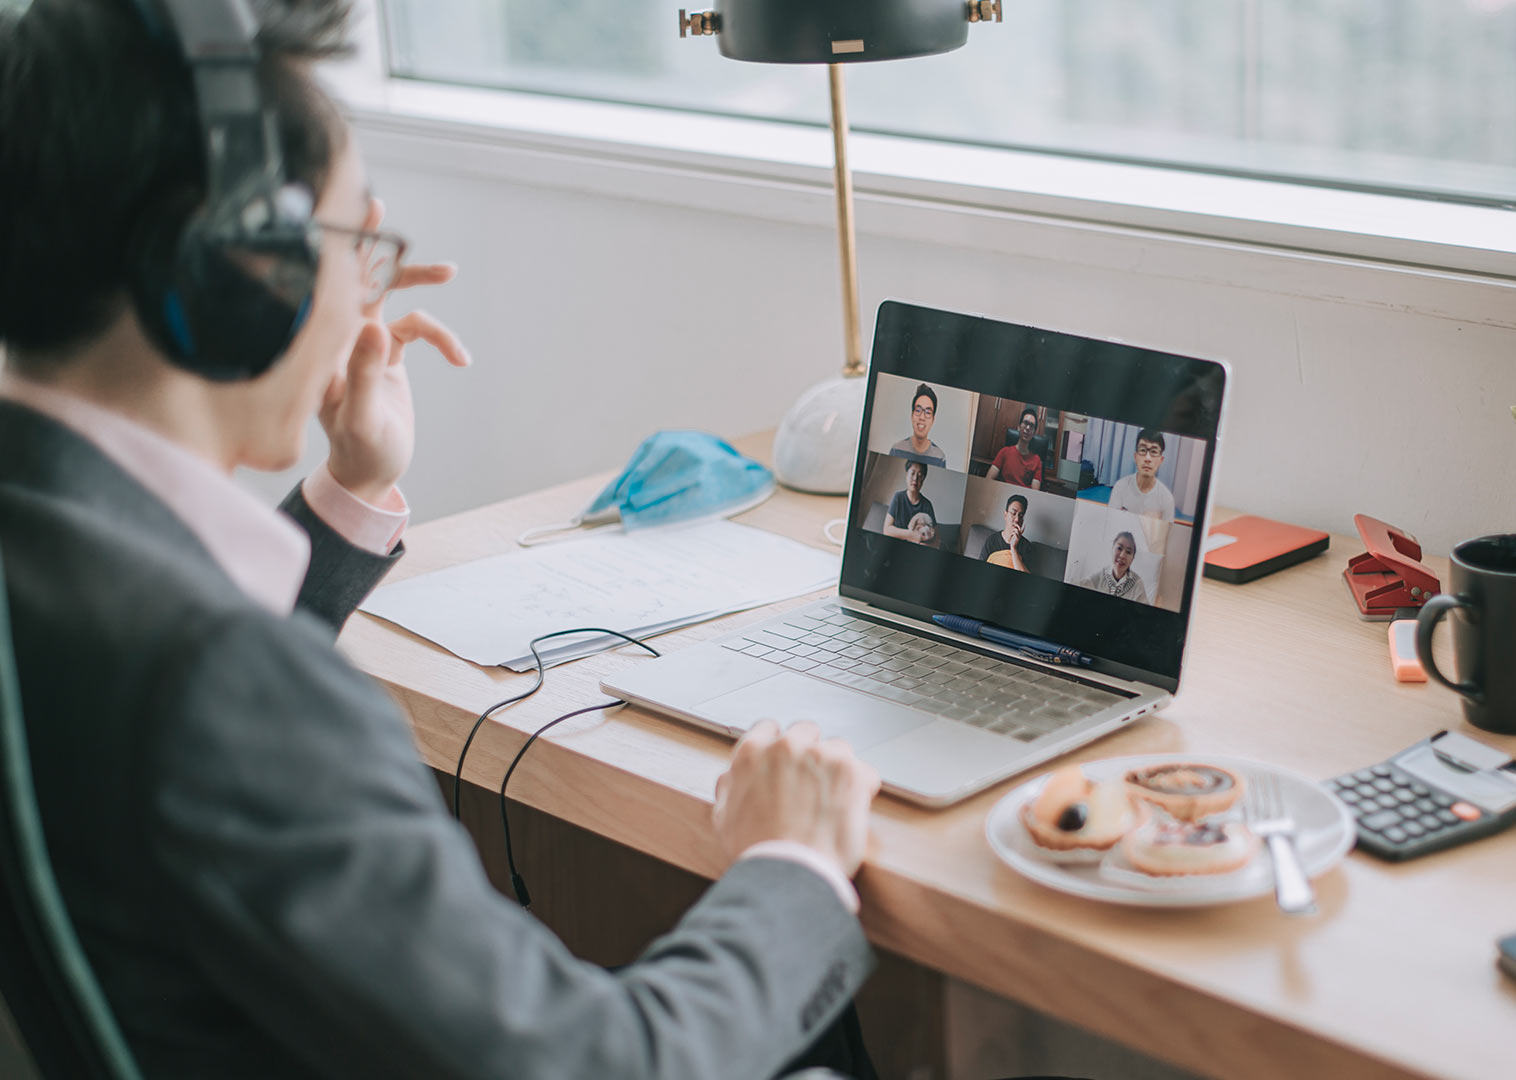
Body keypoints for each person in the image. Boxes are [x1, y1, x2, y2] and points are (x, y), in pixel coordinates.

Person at [0, 3, 882, 1077]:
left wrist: (351, 487)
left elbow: (163, 683)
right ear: (237, 276)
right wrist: (790, 862)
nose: (363, 292)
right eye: (353, 245)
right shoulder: (225, 691)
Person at [1108, 429, 1178, 523]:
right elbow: (1110, 525)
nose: (1147, 458)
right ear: (1135, 457)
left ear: (1161, 460)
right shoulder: (1120, 487)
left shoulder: (1167, 499)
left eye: (1154, 452)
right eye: (1142, 450)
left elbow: (1165, 536)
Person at [1078, 530, 1150, 602]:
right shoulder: (1100, 577)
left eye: (1128, 552)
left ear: (1132, 558)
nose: (1122, 556)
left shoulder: (1137, 584)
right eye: (1119, 548)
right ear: (1112, 549)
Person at [882, 458, 939, 546]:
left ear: (923, 480)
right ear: (906, 475)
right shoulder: (898, 498)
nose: (915, 478)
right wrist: (912, 535)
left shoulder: (927, 505)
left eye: (920, 475)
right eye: (912, 473)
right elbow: (887, 530)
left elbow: (936, 540)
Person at [887, 382, 946, 466]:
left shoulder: (939, 457)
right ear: (911, 415)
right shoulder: (896, 450)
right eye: (918, 410)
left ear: (933, 419)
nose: (922, 417)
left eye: (928, 412)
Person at [985, 406, 1043, 489]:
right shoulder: (1004, 452)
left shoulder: (1036, 461)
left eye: (1031, 426)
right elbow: (988, 480)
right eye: (1026, 423)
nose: (1027, 428)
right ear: (1019, 427)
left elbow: (1034, 494)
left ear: (1034, 432)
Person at [979, 493, 1034, 571]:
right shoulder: (992, 541)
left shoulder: (1026, 546)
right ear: (1005, 515)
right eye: (1013, 513)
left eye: (1021, 516)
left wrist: (1013, 548)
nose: (1017, 519)